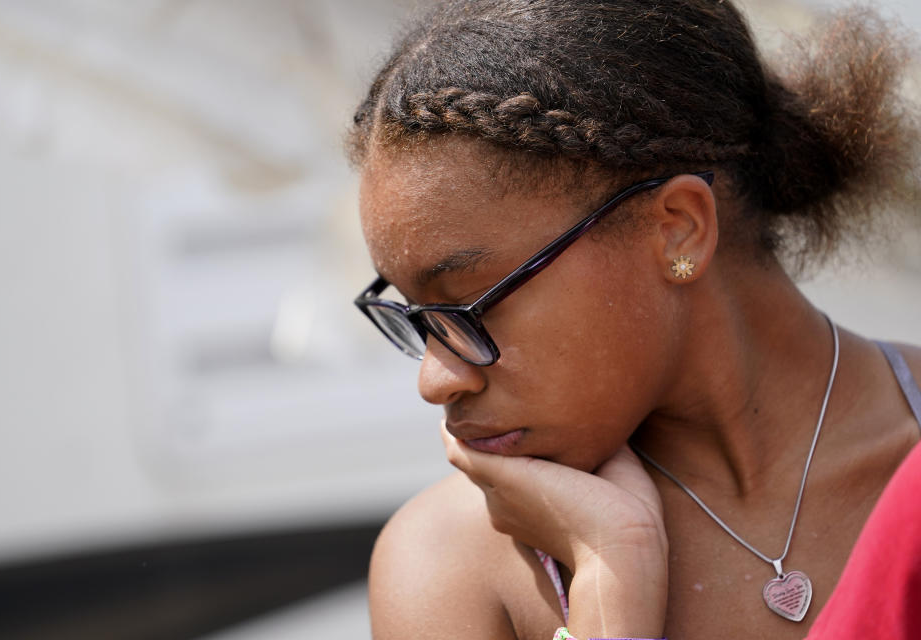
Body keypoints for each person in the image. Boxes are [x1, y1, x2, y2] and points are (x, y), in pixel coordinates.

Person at [346, 1, 921, 638]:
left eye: (469, 304)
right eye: (417, 318)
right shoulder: (453, 567)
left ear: (679, 229)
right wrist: (610, 577)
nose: (435, 380)